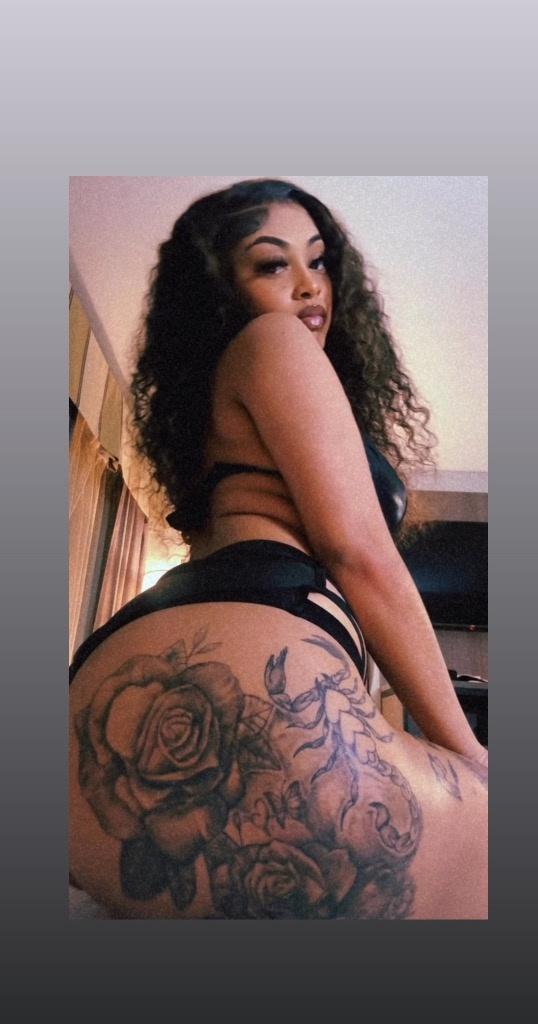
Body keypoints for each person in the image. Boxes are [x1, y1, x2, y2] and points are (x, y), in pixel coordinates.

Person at [69, 179, 487, 919]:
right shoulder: (275, 341)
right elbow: (360, 555)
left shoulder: (213, 407)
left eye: (318, 261)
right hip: (264, 642)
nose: (307, 284)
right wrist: (471, 756)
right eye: (272, 264)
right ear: (220, 291)